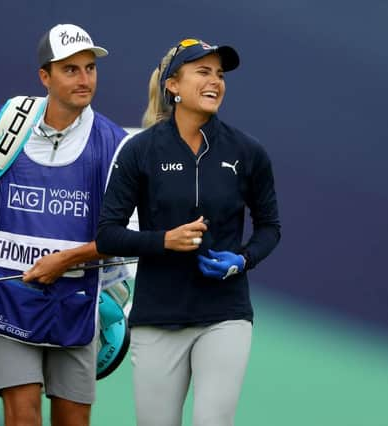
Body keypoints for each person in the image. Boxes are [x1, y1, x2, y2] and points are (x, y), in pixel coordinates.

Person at [0, 23, 127, 426]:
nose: (84, 79)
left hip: (77, 304)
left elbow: (125, 234)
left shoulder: (113, 141)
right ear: (45, 76)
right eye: (70, 69)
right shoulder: (9, 121)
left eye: (90, 68)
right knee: (22, 418)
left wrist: (66, 260)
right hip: (11, 301)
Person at [96, 38, 281, 426]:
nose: (215, 81)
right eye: (203, 71)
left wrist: (242, 260)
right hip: (157, 317)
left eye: (219, 74)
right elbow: (108, 235)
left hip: (225, 315)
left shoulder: (248, 152)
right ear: (173, 85)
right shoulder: (140, 151)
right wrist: (165, 240)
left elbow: (270, 228)